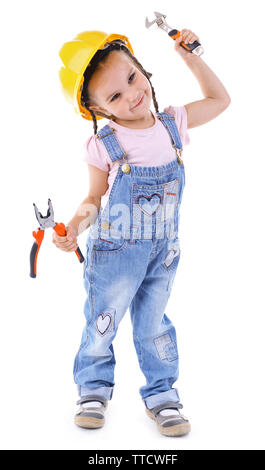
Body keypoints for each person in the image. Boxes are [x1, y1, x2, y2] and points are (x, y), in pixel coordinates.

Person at [56, 29, 230, 437]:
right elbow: (94, 199)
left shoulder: (174, 123)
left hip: (162, 254)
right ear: (96, 109)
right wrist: (74, 228)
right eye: (114, 96)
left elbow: (220, 100)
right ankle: (93, 388)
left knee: (154, 324)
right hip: (114, 254)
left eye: (133, 78)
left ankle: (162, 394)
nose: (132, 94)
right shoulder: (105, 144)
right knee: (104, 319)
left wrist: (190, 58)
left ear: (142, 69)